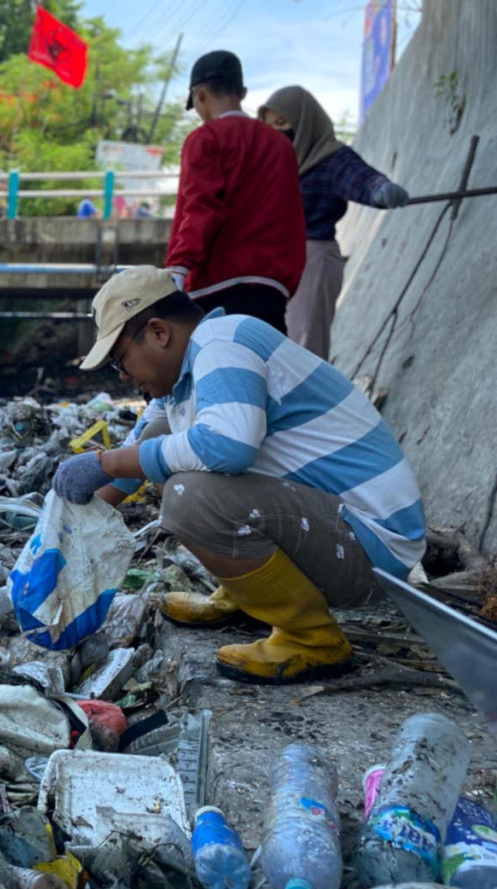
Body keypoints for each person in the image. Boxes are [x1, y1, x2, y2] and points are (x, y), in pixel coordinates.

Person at [54, 266, 425, 684]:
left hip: (374, 549)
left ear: (158, 332)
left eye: (121, 360)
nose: (124, 376)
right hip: (337, 529)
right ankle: (246, 594)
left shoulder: (223, 342)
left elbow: (227, 447)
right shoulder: (183, 380)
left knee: (190, 496)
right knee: (162, 451)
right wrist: (63, 537)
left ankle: (312, 639)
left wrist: (105, 463)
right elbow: (134, 453)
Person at [258, 85, 410, 360]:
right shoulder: (273, 166)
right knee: (278, 349)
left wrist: (381, 189)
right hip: (275, 262)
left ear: (305, 122)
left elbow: (361, 178)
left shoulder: (329, 158)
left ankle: (311, 404)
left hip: (311, 259)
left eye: (282, 123)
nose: (275, 133)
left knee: (305, 349)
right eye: (268, 127)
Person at [168, 51, 306, 333]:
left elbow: (202, 207)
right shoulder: (281, 146)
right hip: (272, 289)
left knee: (223, 373)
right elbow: (290, 217)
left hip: (216, 288)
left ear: (199, 95)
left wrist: (179, 266)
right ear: (242, 92)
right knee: (264, 372)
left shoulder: (205, 139)